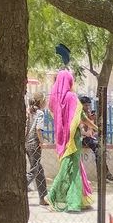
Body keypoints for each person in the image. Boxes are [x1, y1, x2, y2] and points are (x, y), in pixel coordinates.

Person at [45, 67, 93, 212]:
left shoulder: (54, 98)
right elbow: (81, 117)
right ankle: (55, 196)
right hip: (73, 138)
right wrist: (94, 127)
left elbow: (54, 114)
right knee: (72, 168)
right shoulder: (72, 97)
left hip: (62, 138)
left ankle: (76, 200)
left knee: (70, 167)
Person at [26, 92, 48, 206]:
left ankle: (43, 198)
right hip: (35, 144)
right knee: (34, 170)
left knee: (39, 170)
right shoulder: (40, 113)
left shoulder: (28, 111)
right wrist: (41, 142)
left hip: (26, 144)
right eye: (45, 100)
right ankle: (20, 187)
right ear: (40, 102)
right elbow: (39, 129)